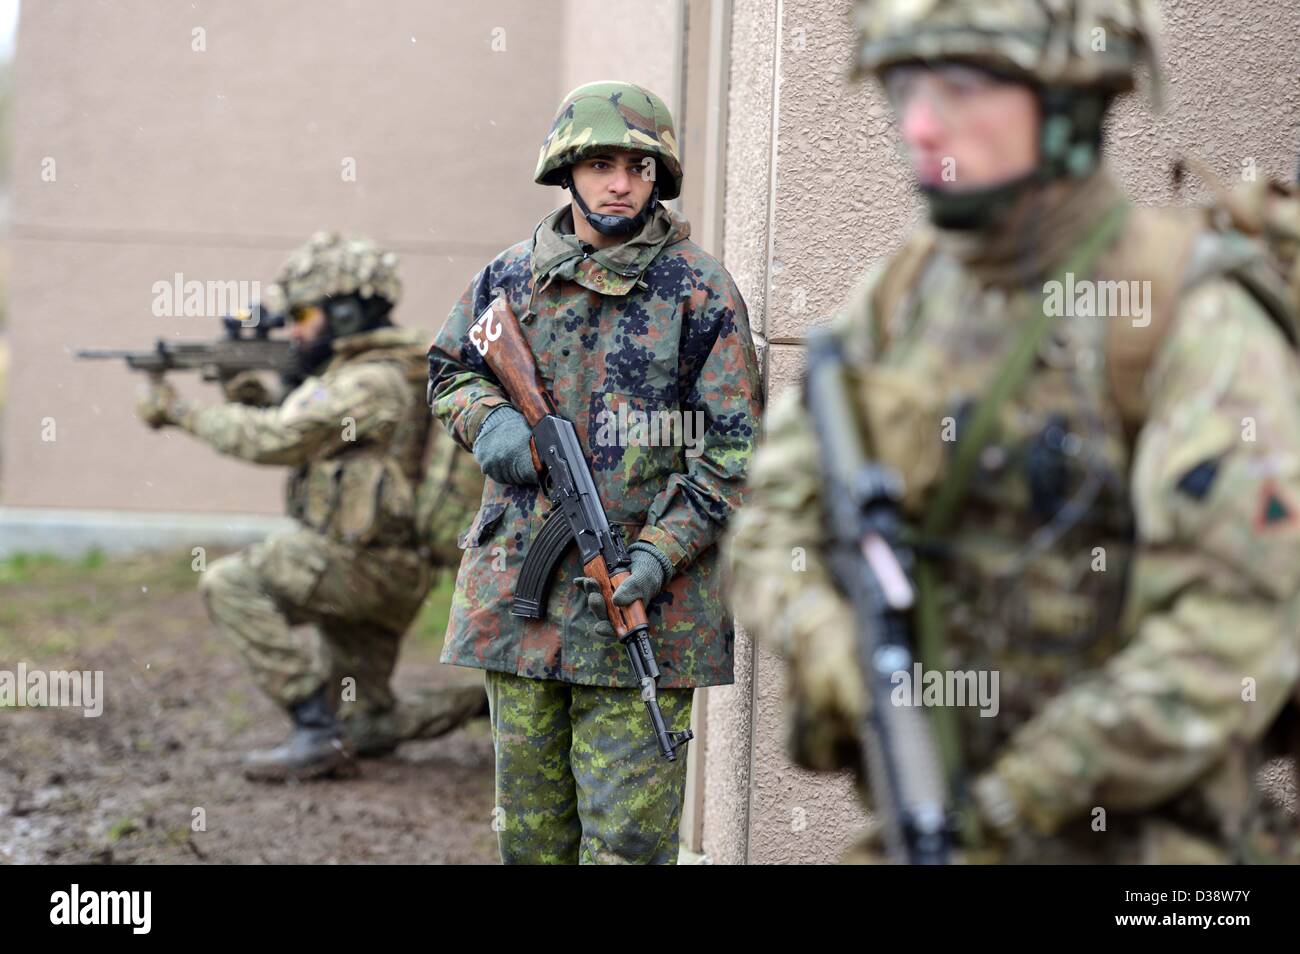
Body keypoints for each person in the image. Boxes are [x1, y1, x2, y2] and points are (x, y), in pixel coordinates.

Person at [724, 0, 1300, 863]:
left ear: (1069, 101)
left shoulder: (1184, 312)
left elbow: (1234, 626)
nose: (919, 123)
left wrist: (1014, 805)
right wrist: (823, 632)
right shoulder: (903, 295)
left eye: (960, 85)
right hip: (938, 823)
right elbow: (771, 524)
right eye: (902, 84)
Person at [427, 81, 762, 863]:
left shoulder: (700, 292)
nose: (620, 183)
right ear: (567, 170)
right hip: (521, 602)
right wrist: (502, 431)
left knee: (628, 847)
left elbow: (735, 456)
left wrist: (656, 555)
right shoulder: (507, 279)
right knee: (532, 841)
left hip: (649, 611)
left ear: (659, 178)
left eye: (640, 167)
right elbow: (450, 372)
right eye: (602, 163)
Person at [137, 232, 485, 781]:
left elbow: (280, 439)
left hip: (354, 565)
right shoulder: (390, 369)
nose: (293, 328)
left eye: (303, 314)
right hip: (390, 573)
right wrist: (244, 386)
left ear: (344, 311)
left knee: (230, 582)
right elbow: (308, 425)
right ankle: (485, 702)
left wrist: (179, 412)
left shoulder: (370, 379)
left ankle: (313, 729)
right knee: (367, 725)